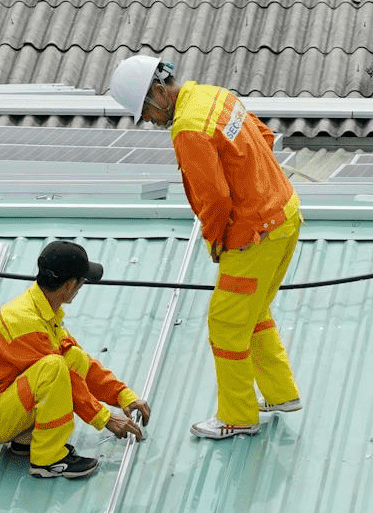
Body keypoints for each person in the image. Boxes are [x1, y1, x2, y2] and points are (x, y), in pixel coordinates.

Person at [107, 54, 304, 440]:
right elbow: (264, 138)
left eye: (146, 112)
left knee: (226, 323)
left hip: (255, 234)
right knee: (252, 310)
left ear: (158, 93)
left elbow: (214, 197)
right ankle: (281, 394)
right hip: (285, 215)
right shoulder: (215, 97)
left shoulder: (188, 128)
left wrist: (215, 238)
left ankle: (238, 416)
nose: (149, 120)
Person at [0, 241, 151, 480]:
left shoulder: (41, 310)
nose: (81, 287)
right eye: (81, 282)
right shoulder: (24, 321)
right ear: (70, 286)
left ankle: (25, 441)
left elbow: (81, 365)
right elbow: (64, 375)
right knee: (54, 367)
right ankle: (48, 460)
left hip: (2, 407)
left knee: (72, 357)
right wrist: (106, 419)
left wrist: (123, 396)